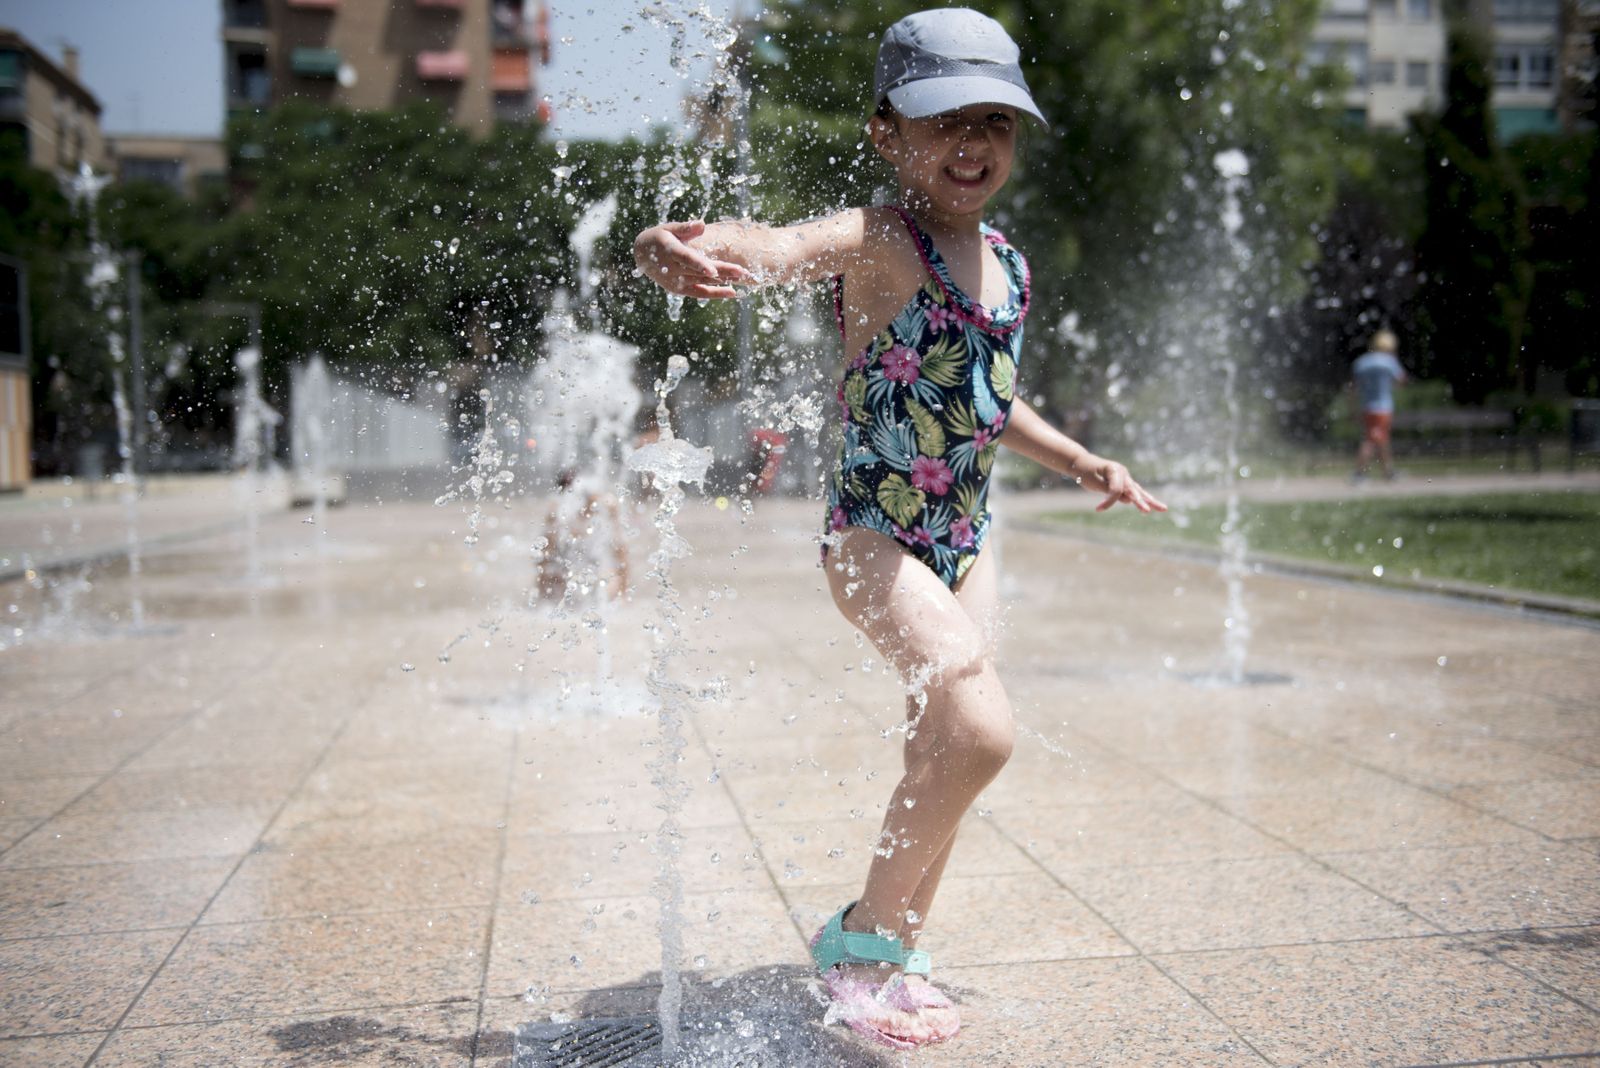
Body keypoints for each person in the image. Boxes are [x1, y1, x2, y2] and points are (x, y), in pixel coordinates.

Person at [634, 8, 1165, 1050]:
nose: (973, 144)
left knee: (946, 750)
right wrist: (676, 246)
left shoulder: (1006, 262)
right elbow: (776, 245)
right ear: (887, 136)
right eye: (943, 122)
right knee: (982, 730)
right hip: (875, 534)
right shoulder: (879, 239)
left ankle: (902, 948)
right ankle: (861, 942)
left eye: (995, 125)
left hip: (966, 541)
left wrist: (1083, 461)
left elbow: (987, 397)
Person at [1351, 328, 1408, 481]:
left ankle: (1388, 471)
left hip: (1367, 407)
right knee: (1371, 440)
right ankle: (1359, 474)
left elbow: (1354, 388)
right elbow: (1402, 380)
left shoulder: (1362, 362)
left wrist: (1353, 409)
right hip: (1383, 408)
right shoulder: (1389, 362)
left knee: (1381, 440)